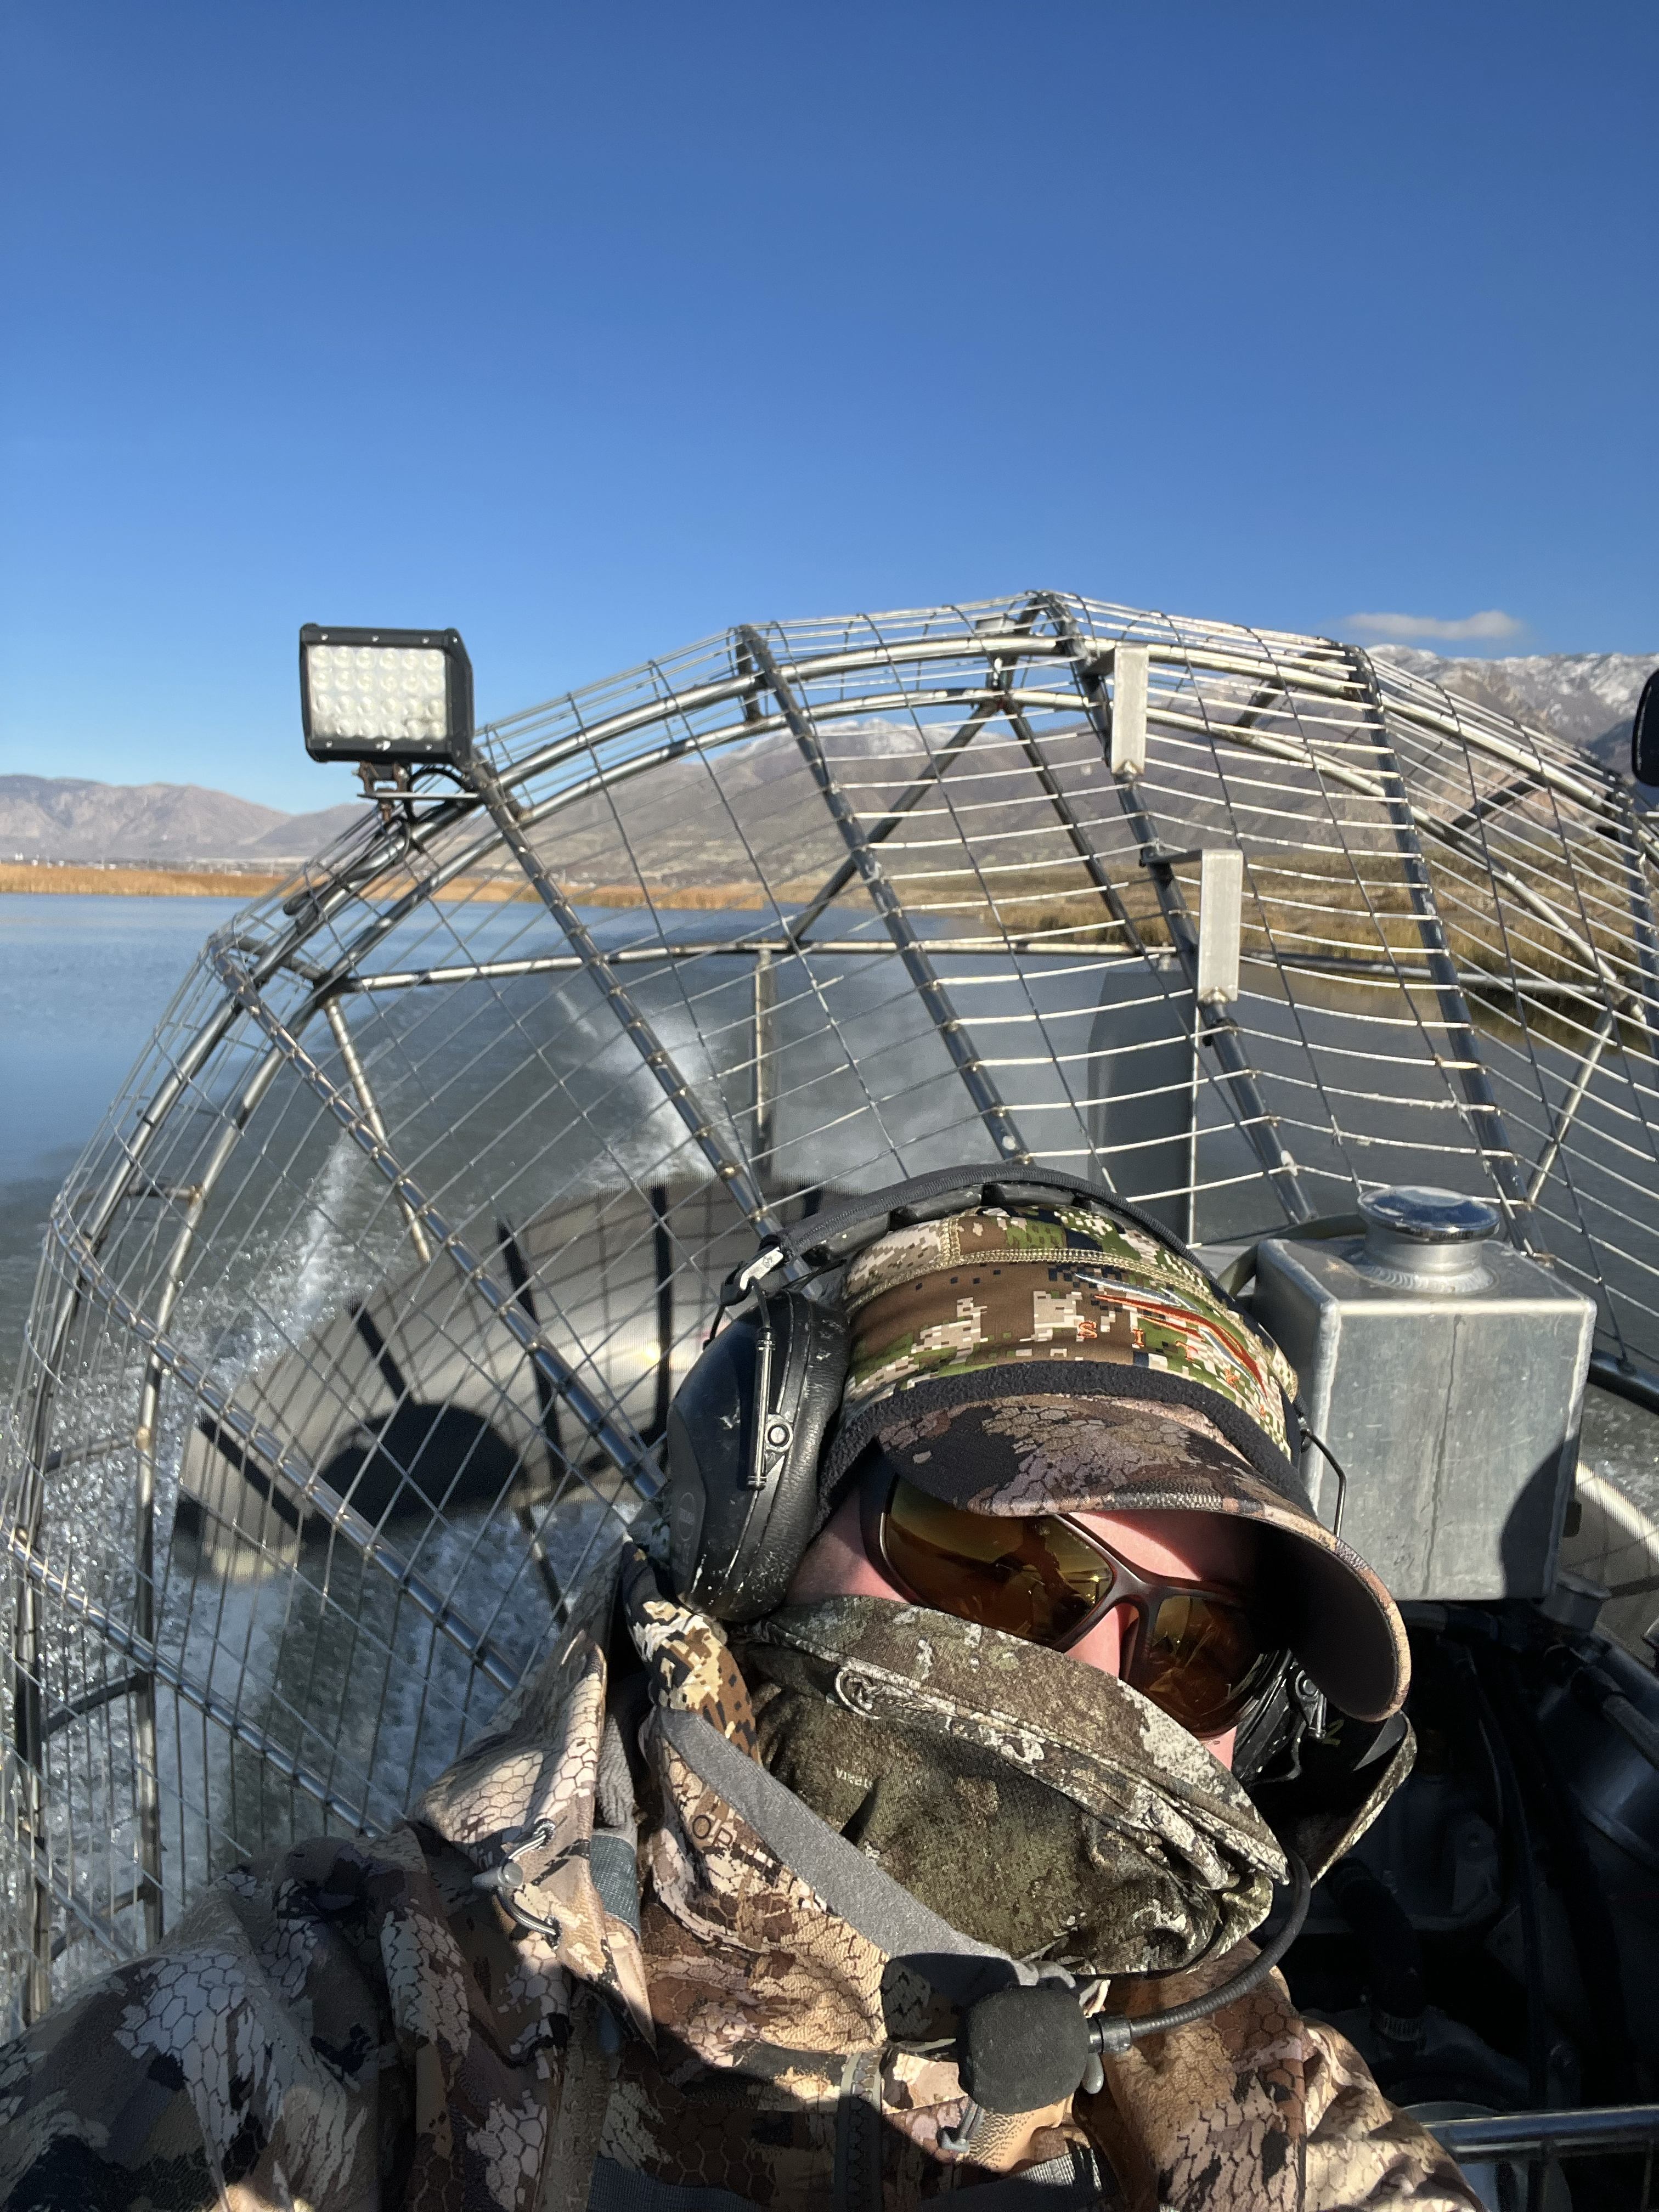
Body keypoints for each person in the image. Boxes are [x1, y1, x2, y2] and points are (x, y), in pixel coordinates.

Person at [0, 1183, 1482, 2211]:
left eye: (1192, 1650)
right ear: (762, 1524)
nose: (1078, 1679)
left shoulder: (1225, 2052)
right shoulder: (344, 2026)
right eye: (991, 1557)